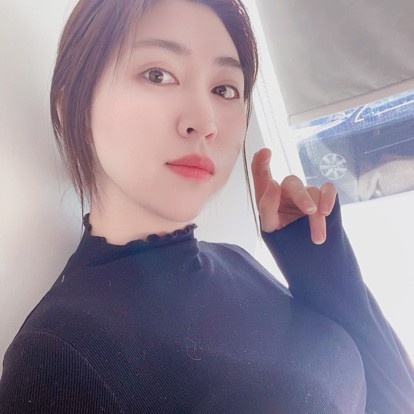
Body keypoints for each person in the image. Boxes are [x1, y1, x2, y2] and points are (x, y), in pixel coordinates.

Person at [0, 0, 413, 412]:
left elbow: (398, 399)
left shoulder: (236, 260)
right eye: (158, 74)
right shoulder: (56, 357)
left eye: (223, 89)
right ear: (72, 106)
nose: (205, 121)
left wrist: (317, 258)